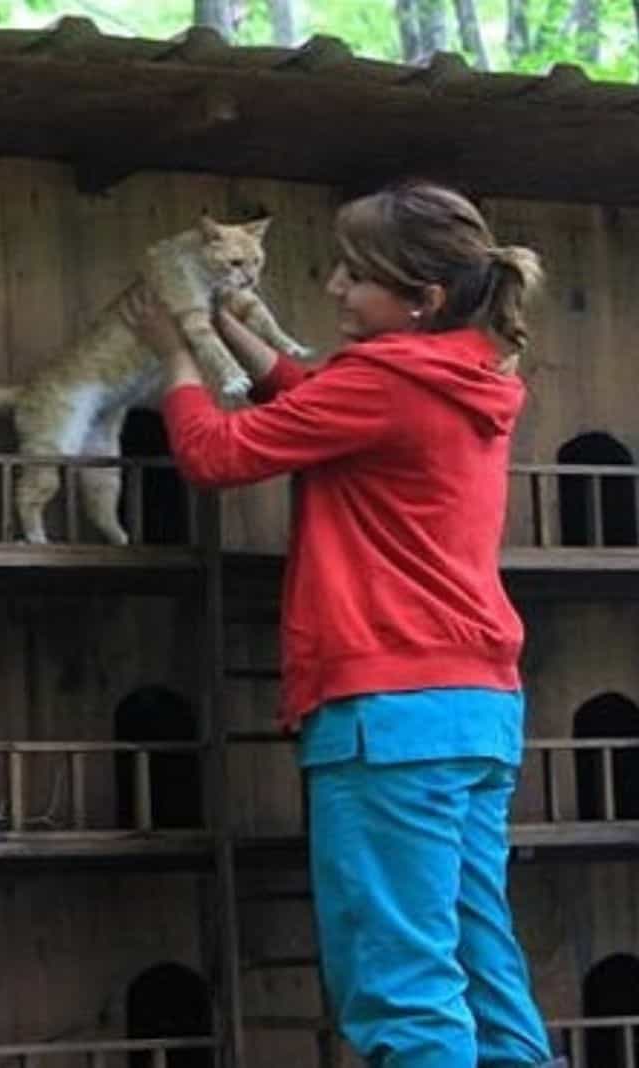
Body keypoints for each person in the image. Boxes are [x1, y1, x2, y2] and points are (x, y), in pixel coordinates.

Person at [123, 181, 564, 1068]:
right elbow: (315, 395)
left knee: (401, 988)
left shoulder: (381, 382)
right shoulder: (463, 372)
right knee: (480, 967)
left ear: (420, 301)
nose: (332, 288)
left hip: (386, 714)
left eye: (355, 277)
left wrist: (177, 354)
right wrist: (236, 327)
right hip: (474, 709)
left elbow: (217, 456)